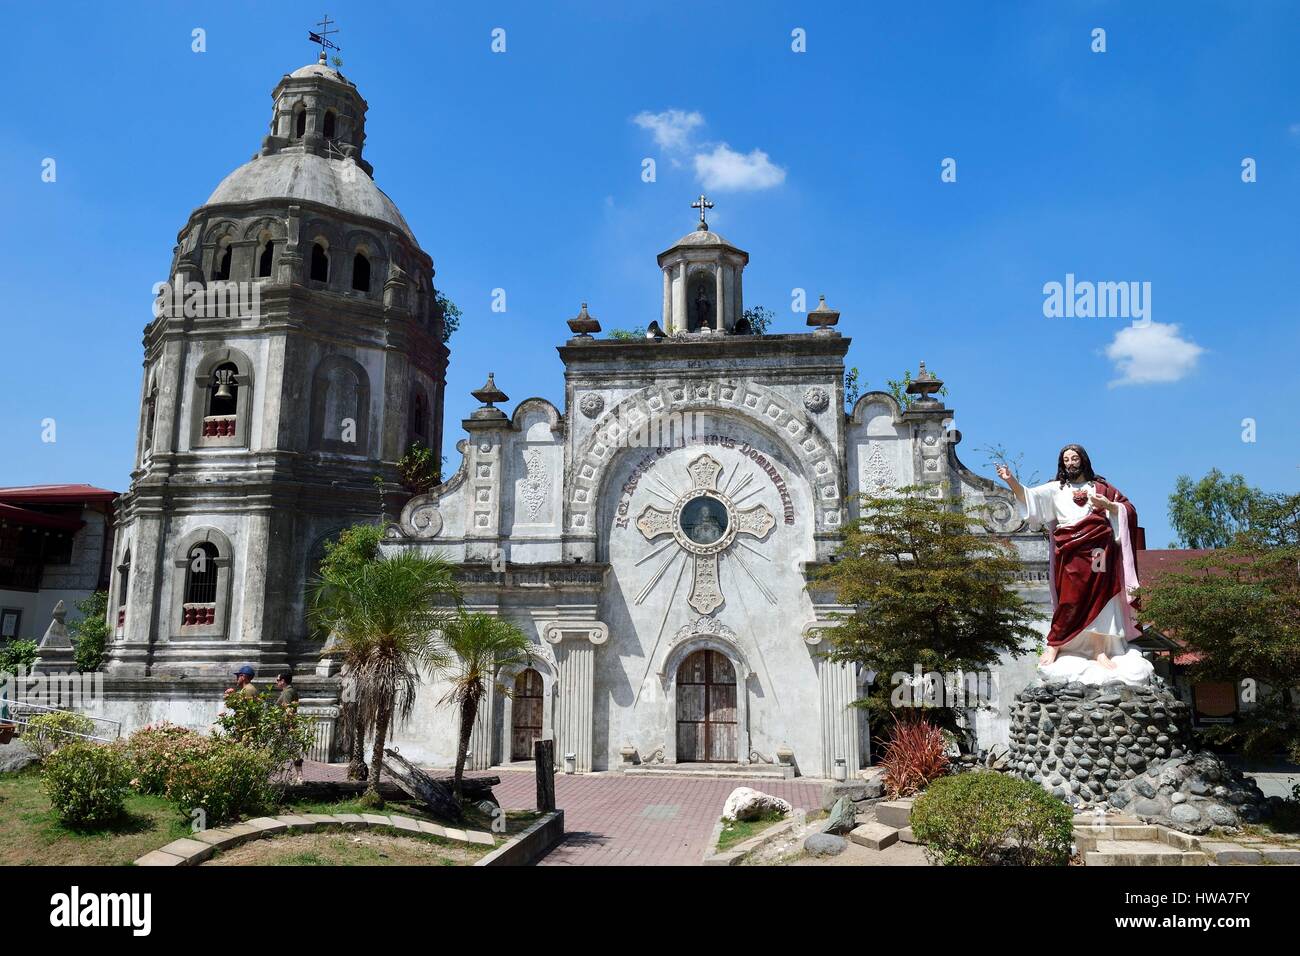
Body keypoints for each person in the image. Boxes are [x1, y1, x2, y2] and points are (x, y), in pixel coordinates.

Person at [997, 443, 1153, 686]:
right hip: (1070, 552)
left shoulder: (1101, 488)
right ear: (1062, 463)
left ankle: (1099, 650)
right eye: (1066, 459)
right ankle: (1055, 644)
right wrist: (1011, 481)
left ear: (1083, 460)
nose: (1071, 462)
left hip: (1099, 551)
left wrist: (1109, 506)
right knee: (1069, 599)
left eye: (1074, 458)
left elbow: (1129, 510)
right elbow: (1029, 498)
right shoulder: (1055, 489)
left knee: (1103, 599)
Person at [275, 671, 304, 785]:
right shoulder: (291, 690)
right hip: (290, 725)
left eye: (278, 680)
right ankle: (298, 776)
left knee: (290, 751)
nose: (276, 682)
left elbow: (288, 710)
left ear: (283, 681)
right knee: (293, 751)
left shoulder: (287, 692)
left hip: (286, 726)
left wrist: (288, 726)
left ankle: (297, 777)